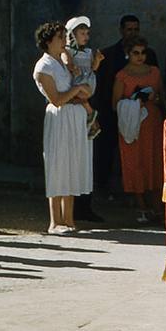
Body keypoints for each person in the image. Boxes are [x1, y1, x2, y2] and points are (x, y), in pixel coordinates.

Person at [33, 22, 94, 234]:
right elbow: (57, 99)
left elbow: (83, 89)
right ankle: (55, 221)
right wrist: (77, 89)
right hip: (59, 118)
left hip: (74, 117)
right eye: (60, 37)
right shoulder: (44, 67)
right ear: (48, 41)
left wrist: (80, 88)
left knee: (71, 165)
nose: (63, 41)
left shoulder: (64, 62)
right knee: (58, 165)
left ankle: (68, 219)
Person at [92, 14, 156, 212]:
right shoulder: (108, 54)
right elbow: (101, 87)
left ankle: (143, 198)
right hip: (113, 112)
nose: (132, 33)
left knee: (144, 157)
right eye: (129, 29)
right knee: (109, 153)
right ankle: (106, 190)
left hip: (145, 115)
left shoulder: (150, 56)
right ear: (121, 30)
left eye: (136, 29)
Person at [112, 36, 165, 223]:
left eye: (143, 52)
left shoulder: (155, 72)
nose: (140, 56)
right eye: (135, 53)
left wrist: (152, 99)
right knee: (135, 162)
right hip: (132, 124)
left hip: (152, 122)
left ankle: (157, 206)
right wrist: (133, 102)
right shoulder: (122, 75)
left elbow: (161, 97)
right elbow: (114, 103)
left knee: (154, 161)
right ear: (128, 54)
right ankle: (141, 206)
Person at [61, 16, 104, 138]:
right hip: (76, 81)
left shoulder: (88, 52)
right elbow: (67, 63)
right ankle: (93, 122)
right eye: (82, 33)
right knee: (75, 99)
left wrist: (97, 60)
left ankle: (91, 115)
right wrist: (72, 67)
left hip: (86, 82)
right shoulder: (67, 51)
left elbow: (93, 68)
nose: (86, 37)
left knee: (77, 97)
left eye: (87, 34)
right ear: (72, 35)